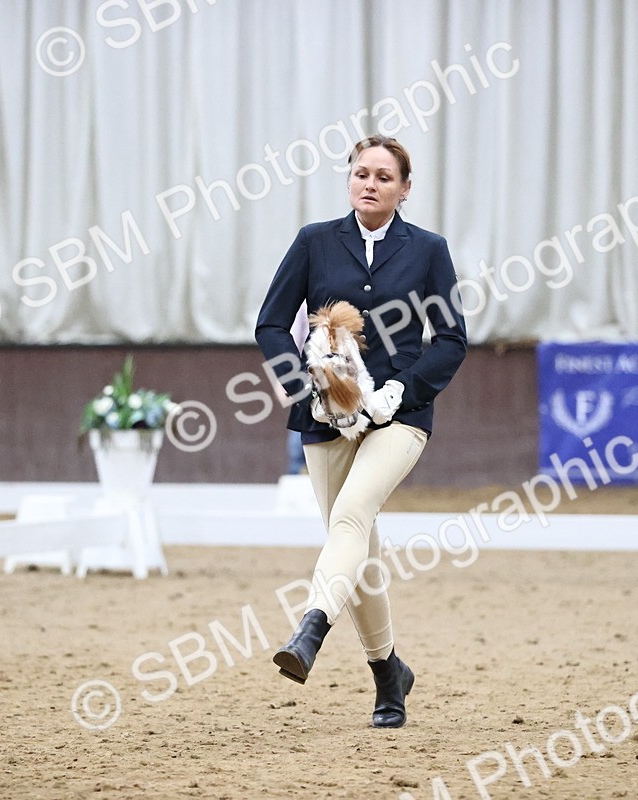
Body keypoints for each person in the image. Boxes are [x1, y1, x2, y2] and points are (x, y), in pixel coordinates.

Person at [254, 135, 468, 728]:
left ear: (404, 187)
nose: (368, 183)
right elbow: (270, 324)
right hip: (324, 417)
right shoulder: (315, 242)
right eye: (359, 173)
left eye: (382, 176)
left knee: (350, 517)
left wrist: (404, 389)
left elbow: (451, 340)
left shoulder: (428, 249)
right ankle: (388, 674)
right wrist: (305, 387)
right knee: (361, 551)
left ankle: (309, 631)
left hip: (399, 415)